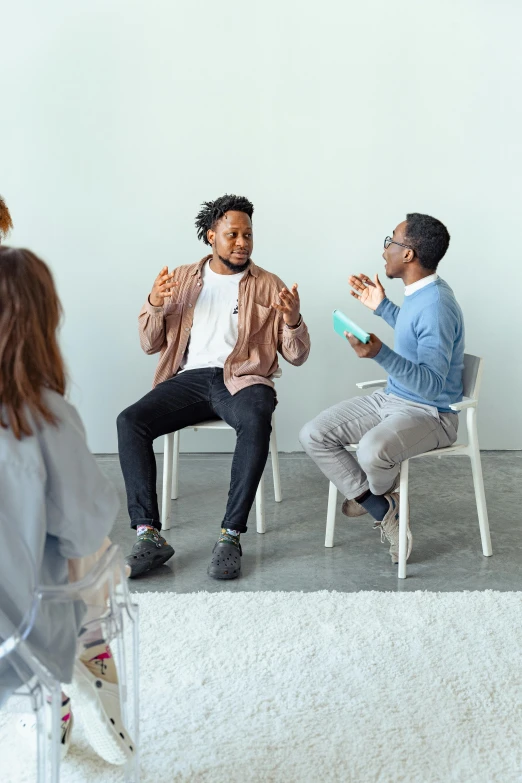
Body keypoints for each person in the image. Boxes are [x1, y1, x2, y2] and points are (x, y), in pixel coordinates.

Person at [0, 203, 134, 765]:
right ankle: (90, 661)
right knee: (101, 558)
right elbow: (83, 532)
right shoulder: (43, 415)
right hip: (23, 631)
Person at [118, 193, 311, 579]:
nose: (242, 243)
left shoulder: (270, 285)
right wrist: (155, 302)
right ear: (211, 236)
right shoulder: (183, 279)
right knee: (130, 421)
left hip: (243, 379)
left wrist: (292, 319)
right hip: (189, 378)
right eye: (233, 234)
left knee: (257, 418)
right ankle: (148, 534)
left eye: (248, 235)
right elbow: (149, 344)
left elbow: (297, 355)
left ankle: (230, 535)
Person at [300, 213, 464, 564]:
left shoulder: (437, 305)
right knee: (314, 434)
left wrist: (379, 354)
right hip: (392, 398)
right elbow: (412, 331)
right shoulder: (421, 294)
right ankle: (381, 505)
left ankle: (371, 496)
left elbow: (433, 385)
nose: (385, 249)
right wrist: (383, 307)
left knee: (372, 451)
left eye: (391, 241)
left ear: (408, 254)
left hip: (431, 414)